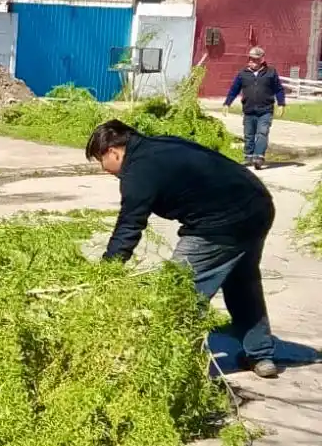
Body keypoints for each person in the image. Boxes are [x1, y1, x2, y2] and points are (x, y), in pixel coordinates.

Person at [85, 119, 279, 379]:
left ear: (113, 152)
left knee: (178, 290)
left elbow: (129, 226)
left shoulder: (138, 171)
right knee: (241, 282)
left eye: (101, 161)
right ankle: (260, 355)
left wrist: (108, 269)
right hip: (258, 205)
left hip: (218, 224)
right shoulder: (162, 144)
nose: (104, 169)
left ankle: (170, 367)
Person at [223, 47, 285, 170]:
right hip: (249, 110)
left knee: (262, 133)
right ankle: (248, 157)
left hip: (265, 110)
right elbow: (234, 89)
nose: (251, 61)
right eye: (250, 58)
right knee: (249, 134)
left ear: (262, 59)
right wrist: (227, 103)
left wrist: (281, 103)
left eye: (255, 59)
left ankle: (259, 157)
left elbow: (279, 89)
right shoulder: (243, 74)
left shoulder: (271, 73)